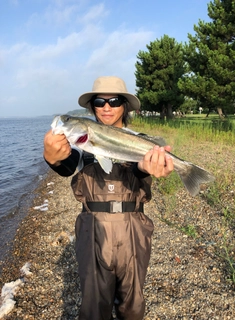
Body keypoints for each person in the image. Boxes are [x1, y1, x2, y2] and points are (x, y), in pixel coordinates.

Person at [43, 76, 173, 320]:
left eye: (113, 101)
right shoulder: (82, 145)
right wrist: (52, 157)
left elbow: (140, 170)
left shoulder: (141, 140)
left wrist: (148, 167)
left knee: (132, 304)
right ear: (92, 107)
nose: (106, 107)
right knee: (94, 306)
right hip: (92, 228)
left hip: (133, 227)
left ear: (124, 105)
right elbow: (66, 165)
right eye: (99, 101)